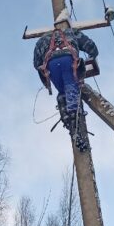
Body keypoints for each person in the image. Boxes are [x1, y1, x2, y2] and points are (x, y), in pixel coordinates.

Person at [33, 14, 99, 150]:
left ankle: (70, 125)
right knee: (71, 87)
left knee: (63, 92)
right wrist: (93, 55)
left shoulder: (42, 40)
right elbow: (90, 45)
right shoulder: (71, 32)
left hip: (51, 64)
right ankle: (75, 120)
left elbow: (36, 63)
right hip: (69, 60)